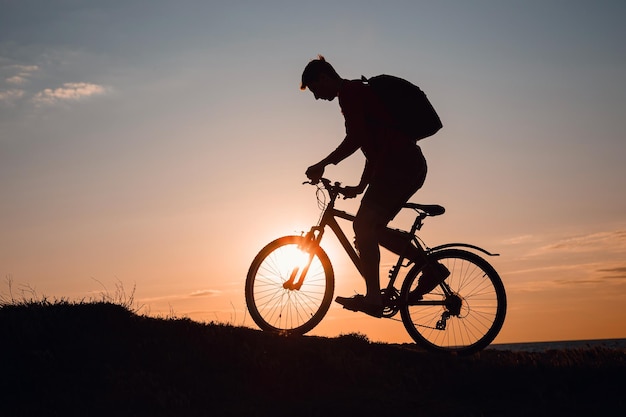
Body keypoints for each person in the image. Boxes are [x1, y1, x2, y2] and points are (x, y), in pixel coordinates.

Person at [300, 55, 449, 318]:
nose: (315, 97)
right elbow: (374, 149)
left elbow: (355, 139)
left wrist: (323, 163)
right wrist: (359, 187)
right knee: (371, 228)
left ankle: (374, 299)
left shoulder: (351, 93)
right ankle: (427, 269)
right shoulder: (354, 95)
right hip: (398, 166)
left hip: (402, 167)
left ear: (324, 78)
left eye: (314, 89)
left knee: (362, 225)